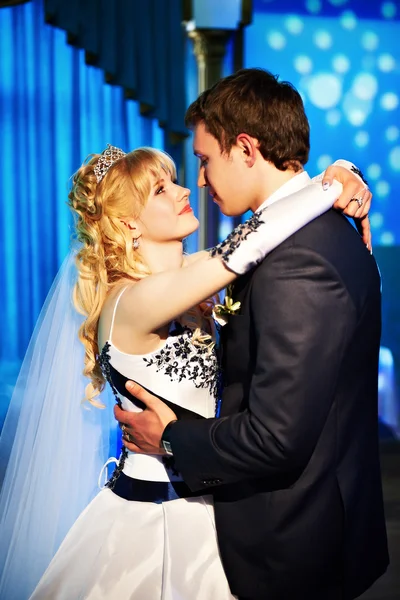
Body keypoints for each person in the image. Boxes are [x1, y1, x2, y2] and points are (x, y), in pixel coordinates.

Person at [0, 133, 369, 600]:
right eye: (161, 190)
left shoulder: (187, 278)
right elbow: (247, 245)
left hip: (216, 503)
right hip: (155, 519)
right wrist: (329, 184)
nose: (184, 191)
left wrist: (342, 166)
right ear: (128, 225)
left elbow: (257, 240)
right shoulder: (132, 302)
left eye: (174, 181)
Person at [115, 68, 389, 600]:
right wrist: (340, 174)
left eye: (203, 160)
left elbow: (276, 436)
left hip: (288, 540)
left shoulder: (298, 260)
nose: (198, 180)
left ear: (245, 148)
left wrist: (168, 438)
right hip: (305, 522)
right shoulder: (314, 233)